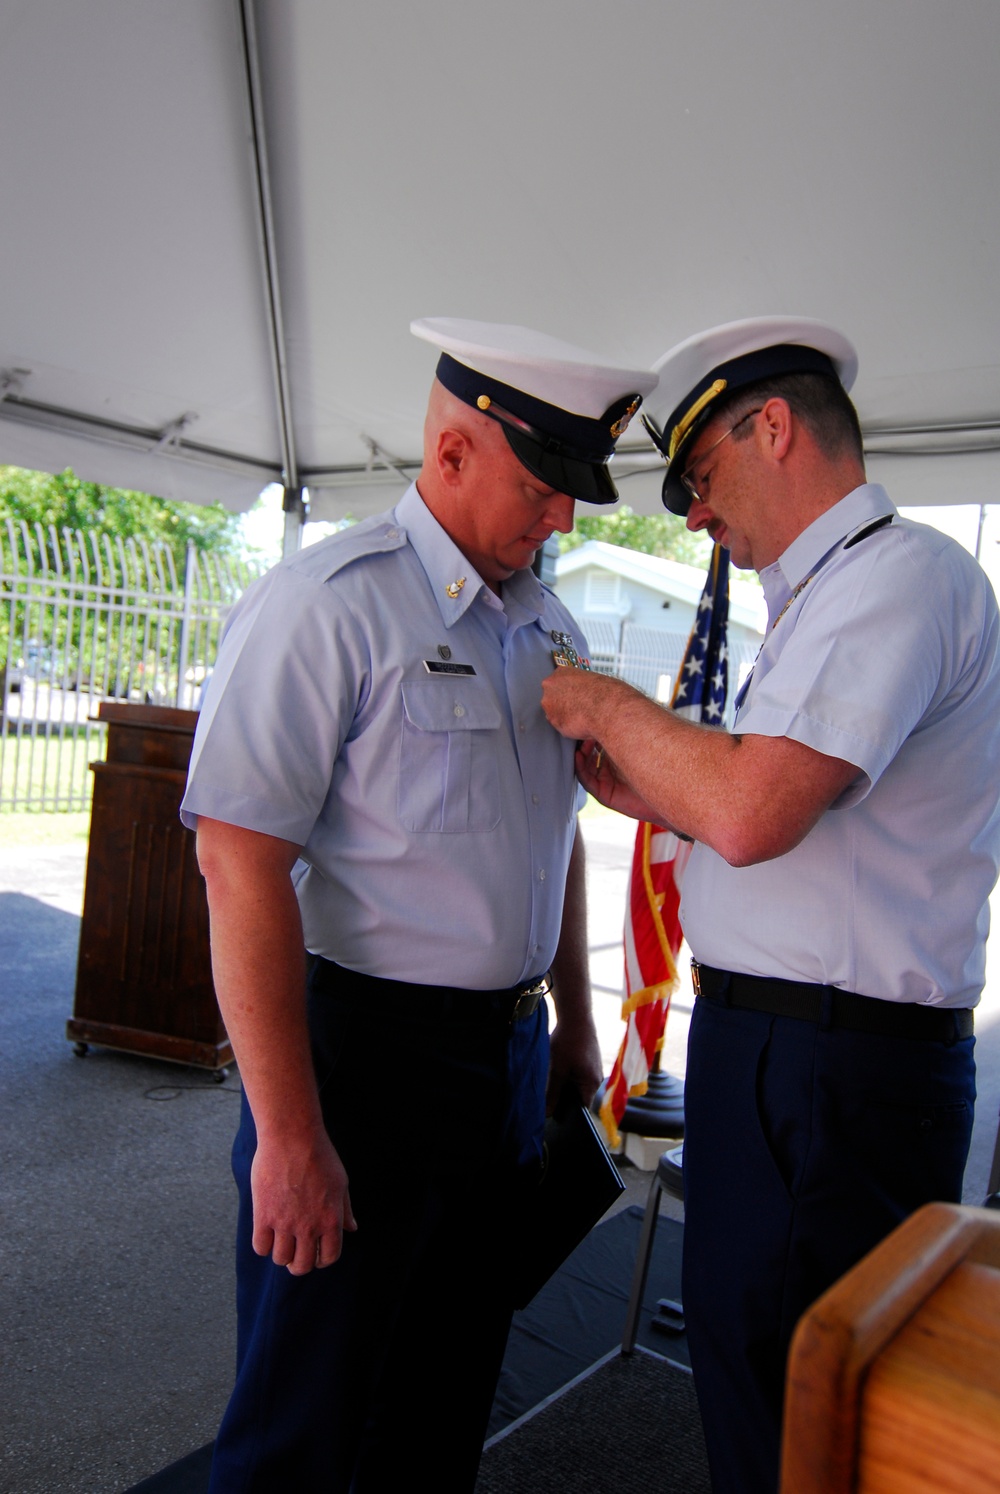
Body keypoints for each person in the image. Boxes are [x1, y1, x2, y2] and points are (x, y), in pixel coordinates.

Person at [180, 316, 657, 1492]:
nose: (563, 520)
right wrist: (288, 1138)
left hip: (503, 1063)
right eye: (544, 488)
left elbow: (559, 838)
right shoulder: (326, 607)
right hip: (359, 1065)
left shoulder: (548, 625)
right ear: (450, 454)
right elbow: (237, 867)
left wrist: (577, 1024)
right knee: (304, 1418)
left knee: (443, 1402)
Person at [541, 316, 1000, 1494]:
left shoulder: (899, 579)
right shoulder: (826, 596)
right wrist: (649, 784)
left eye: (700, 477)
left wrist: (606, 710)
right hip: (789, 1051)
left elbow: (755, 812)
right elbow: (755, 805)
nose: (693, 515)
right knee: (762, 1383)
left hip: (831, 1070)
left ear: (776, 428)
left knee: (803, 1408)